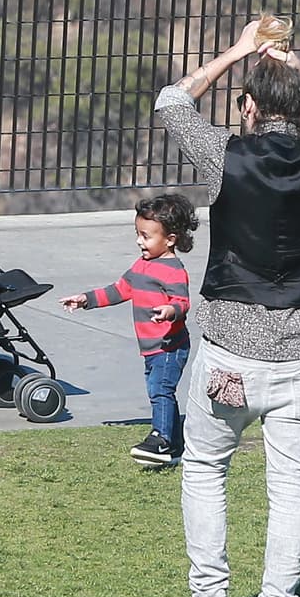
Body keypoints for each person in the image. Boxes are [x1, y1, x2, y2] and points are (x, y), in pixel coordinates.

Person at [154, 14, 300, 597]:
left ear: (246, 108)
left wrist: (238, 50)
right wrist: (295, 69)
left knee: (207, 470)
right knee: (291, 491)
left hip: (229, 353)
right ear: (296, 109)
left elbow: (172, 102)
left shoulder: (225, 153)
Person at [58, 194, 199, 467]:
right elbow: (120, 290)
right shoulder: (141, 266)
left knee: (161, 390)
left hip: (169, 346)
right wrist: (86, 299)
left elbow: (182, 302)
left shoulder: (173, 271)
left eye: (146, 236)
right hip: (151, 346)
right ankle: (176, 445)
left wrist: (170, 310)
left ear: (170, 239)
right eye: (138, 234)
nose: (139, 241)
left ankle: (161, 438)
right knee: (160, 391)